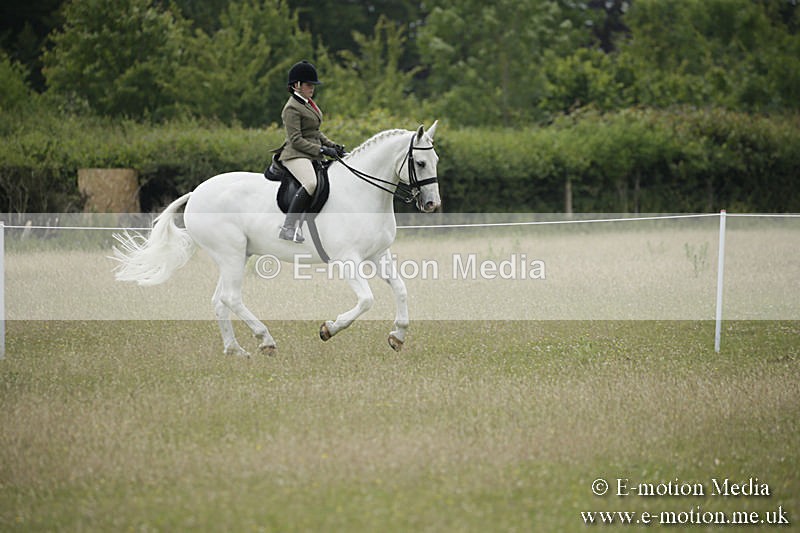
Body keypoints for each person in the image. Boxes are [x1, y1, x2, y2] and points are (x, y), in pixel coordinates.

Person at [275, 60, 345, 243]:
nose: (311, 88)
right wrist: (322, 149)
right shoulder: (291, 108)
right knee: (311, 183)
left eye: (312, 85)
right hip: (295, 154)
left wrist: (333, 146)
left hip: (310, 152)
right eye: (308, 84)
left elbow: (315, 132)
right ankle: (288, 227)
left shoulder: (308, 103)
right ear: (296, 85)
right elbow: (296, 140)